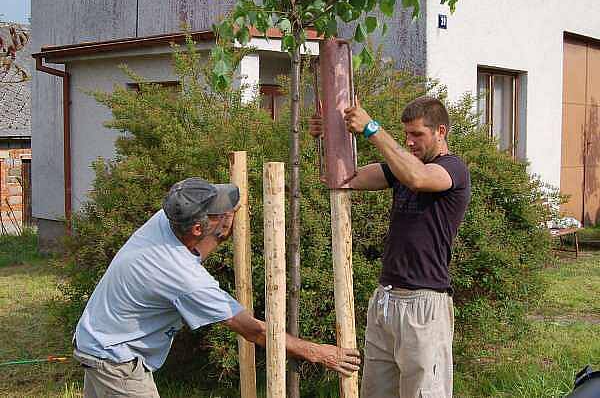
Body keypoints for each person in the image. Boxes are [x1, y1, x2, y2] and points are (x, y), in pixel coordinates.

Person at [73, 178, 360, 397]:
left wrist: (220, 229)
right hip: (116, 361)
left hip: (99, 343)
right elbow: (254, 330)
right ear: (197, 228)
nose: (229, 211)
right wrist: (318, 353)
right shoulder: (183, 277)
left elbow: (193, 251)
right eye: (219, 212)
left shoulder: (167, 219)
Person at [310, 97, 471, 398]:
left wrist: (371, 129)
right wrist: (327, 138)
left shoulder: (453, 169)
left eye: (418, 135)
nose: (410, 142)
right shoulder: (401, 169)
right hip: (385, 301)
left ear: (440, 131)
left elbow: (418, 178)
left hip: (424, 303)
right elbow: (343, 179)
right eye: (406, 135)